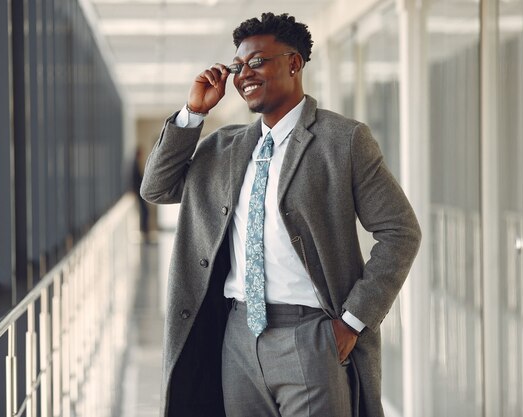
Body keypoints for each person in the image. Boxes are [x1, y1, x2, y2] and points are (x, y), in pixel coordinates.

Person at [141, 12, 421, 417]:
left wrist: (353, 321)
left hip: (310, 336)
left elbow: (401, 231)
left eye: (258, 61)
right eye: (238, 66)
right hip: (236, 335)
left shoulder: (342, 141)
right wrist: (193, 113)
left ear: (294, 63)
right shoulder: (224, 147)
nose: (243, 75)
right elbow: (157, 187)